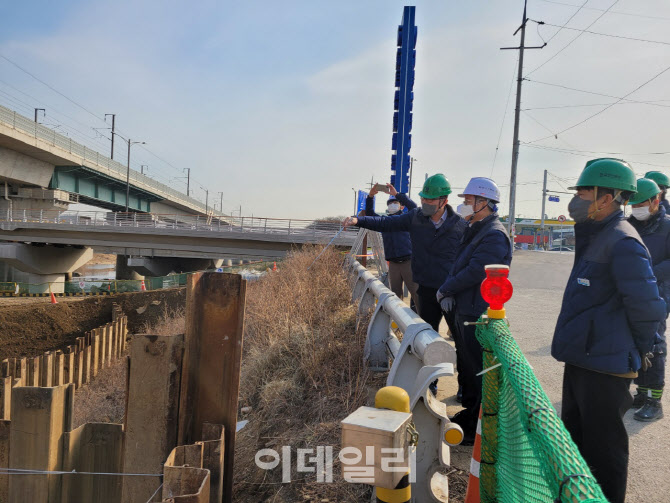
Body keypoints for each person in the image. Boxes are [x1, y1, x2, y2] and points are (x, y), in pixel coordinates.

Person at [552, 158, 666, 503]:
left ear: (608, 198)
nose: (579, 198)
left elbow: (648, 307)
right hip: (584, 358)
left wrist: (642, 350)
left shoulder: (623, 241)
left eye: (585, 191)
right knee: (577, 444)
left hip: (607, 366)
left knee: (605, 456)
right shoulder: (598, 233)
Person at [343, 174, 466, 389]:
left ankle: (465, 389)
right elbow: (383, 222)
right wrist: (358, 219)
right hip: (426, 289)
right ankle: (430, 384)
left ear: (443, 201)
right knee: (427, 338)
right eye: (423, 199)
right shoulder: (415, 218)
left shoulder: (460, 226)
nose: (425, 203)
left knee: (461, 341)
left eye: (430, 200)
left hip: (452, 291)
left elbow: (468, 259)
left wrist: (457, 289)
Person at [436, 177, 512, 444]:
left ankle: (480, 426)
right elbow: (461, 265)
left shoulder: (493, 234)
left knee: (479, 369)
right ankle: (471, 416)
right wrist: (450, 289)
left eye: (468, 201)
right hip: (465, 308)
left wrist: (446, 288)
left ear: (484, 203)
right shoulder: (477, 228)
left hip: (476, 312)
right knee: (468, 365)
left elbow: (476, 270)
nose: (464, 205)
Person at [627, 177, 670, 422]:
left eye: (641, 203)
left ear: (656, 200)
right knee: (634, 344)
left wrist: (649, 273)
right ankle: (641, 394)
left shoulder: (667, 226)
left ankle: (655, 401)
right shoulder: (628, 225)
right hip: (631, 295)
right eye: (633, 205)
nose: (637, 209)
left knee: (654, 345)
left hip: (657, 295)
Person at [365, 184, 418, 309]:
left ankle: (422, 323)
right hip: (393, 264)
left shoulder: (408, 219)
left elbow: (414, 207)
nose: (392, 205)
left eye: (395, 202)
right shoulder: (385, 223)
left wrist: (397, 195)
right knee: (395, 297)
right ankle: (397, 326)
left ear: (402, 206)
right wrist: (371, 196)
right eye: (390, 203)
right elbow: (370, 214)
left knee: (417, 295)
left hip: (409, 262)